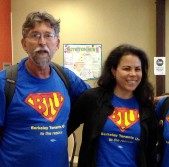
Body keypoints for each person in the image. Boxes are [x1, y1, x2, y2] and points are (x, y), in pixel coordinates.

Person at [0, 12, 90, 166]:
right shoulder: (5, 82)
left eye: (48, 35)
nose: (42, 42)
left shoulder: (66, 78)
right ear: (24, 43)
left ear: (57, 43)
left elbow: (96, 100)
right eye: (35, 35)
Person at [67, 44, 157, 167]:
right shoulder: (93, 99)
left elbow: (150, 151)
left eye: (137, 69)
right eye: (126, 68)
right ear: (113, 70)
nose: (133, 74)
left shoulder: (146, 107)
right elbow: (64, 129)